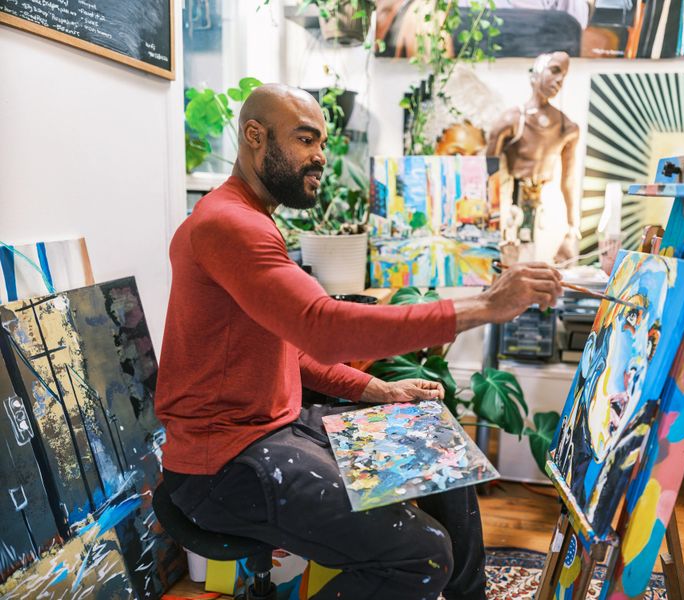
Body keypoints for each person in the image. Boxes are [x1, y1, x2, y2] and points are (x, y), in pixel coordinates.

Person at [155, 83, 563, 600]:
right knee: (423, 554)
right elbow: (321, 327)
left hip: (276, 427)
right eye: (305, 140)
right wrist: (485, 306)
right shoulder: (228, 225)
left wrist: (379, 390)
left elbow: (294, 352)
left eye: (322, 142)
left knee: (444, 455)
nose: (320, 156)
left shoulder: (251, 220)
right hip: (220, 463)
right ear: (254, 137)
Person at [486, 52, 580, 265]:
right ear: (538, 70)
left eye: (563, 76)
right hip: (510, 209)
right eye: (554, 70)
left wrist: (572, 229)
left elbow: (569, 181)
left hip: (546, 212)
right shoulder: (511, 121)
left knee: (542, 272)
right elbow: (487, 176)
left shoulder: (568, 128)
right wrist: (488, 227)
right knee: (510, 271)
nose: (558, 80)